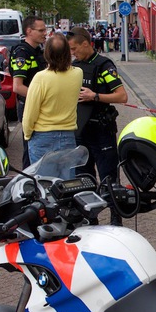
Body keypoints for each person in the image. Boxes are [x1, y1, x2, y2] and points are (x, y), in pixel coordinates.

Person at [69, 27, 128, 186]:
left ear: (86, 44)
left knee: (109, 179)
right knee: (83, 180)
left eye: (74, 49)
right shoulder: (75, 66)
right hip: (81, 131)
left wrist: (94, 96)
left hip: (101, 132)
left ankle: (115, 210)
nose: (73, 53)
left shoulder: (104, 65)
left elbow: (122, 96)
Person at [21, 33, 81, 167]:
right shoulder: (78, 73)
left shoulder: (40, 78)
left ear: (47, 53)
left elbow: (30, 112)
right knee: (66, 182)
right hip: (68, 134)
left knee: (43, 180)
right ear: (67, 53)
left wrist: (28, 134)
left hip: (42, 135)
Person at [11, 16, 48, 166]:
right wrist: (42, 99)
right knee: (31, 150)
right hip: (29, 106)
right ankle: (28, 181)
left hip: (40, 106)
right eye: (41, 30)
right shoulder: (22, 53)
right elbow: (17, 87)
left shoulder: (38, 51)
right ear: (29, 31)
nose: (45, 33)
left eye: (45, 30)